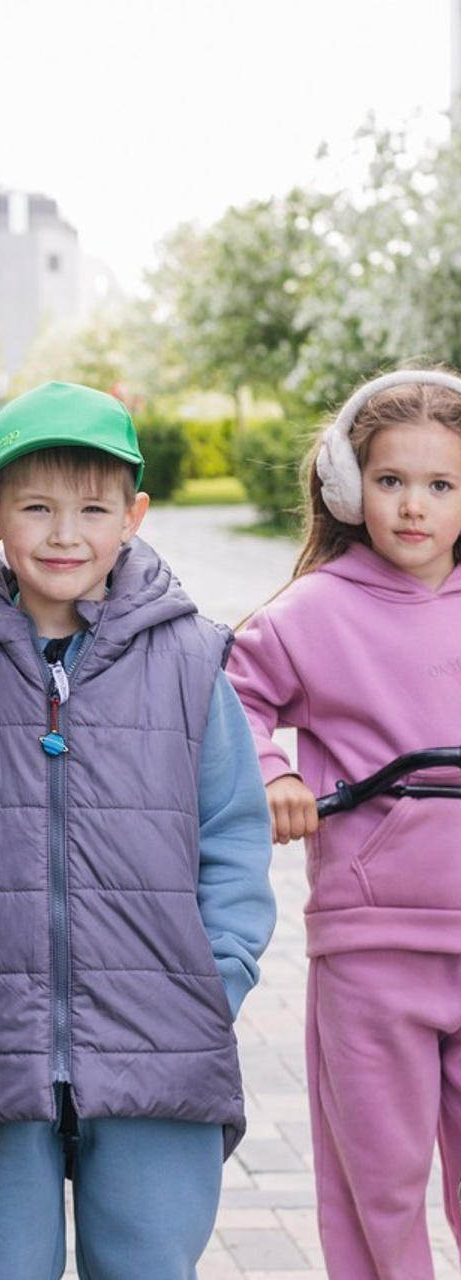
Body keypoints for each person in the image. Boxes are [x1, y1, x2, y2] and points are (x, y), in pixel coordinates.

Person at [0, 381, 276, 1279]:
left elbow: (235, 842)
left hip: (160, 1043)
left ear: (133, 516)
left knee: (147, 1263)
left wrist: (216, 982)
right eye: (36, 508)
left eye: (93, 509)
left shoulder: (192, 665)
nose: (64, 534)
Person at [225, 368, 461, 1278]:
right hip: (373, 947)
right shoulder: (313, 611)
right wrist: (273, 773)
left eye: (441, 484)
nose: (413, 506)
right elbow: (229, 702)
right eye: (391, 480)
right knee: (379, 1186)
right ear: (347, 487)